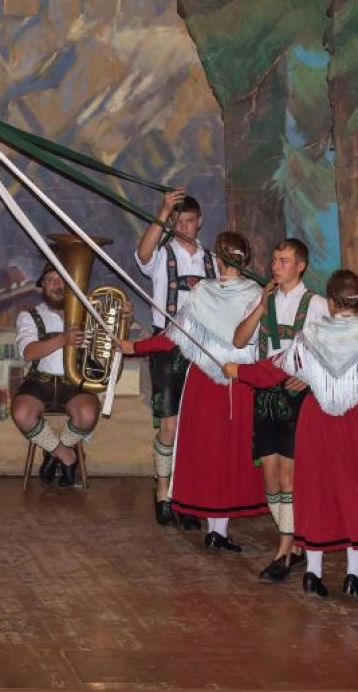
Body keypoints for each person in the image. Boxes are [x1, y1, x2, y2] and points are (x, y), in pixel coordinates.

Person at [122, 232, 267, 549]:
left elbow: (170, 337)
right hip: (238, 382)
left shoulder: (203, 292)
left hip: (205, 382)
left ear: (217, 259)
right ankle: (218, 529)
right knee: (229, 455)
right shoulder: (256, 293)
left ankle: (217, 530)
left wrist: (132, 347)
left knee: (209, 453)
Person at [226, 269, 358, 598]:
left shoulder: (311, 334)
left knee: (314, 492)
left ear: (330, 302)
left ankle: (313, 574)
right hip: (357, 422)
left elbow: (275, 367)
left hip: (317, 421)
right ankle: (353, 576)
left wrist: (237, 370)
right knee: (356, 491)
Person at [232, 238, 329, 582]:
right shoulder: (263, 300)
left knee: (289, 477)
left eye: (284, 260)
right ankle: (296, 539)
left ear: (300, 265)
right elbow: (239, 340)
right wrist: (260, 307)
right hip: (264, 396)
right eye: (274, 260)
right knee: (270, 478)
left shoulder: (316, 304)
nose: (276, 266)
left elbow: (331, 350)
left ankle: (284, 552)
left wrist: (307, 376)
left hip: (296, 398)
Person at [135, 189, 217, 528]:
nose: (184, 225)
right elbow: (141, 254)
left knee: (193, 425)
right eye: (177, 220)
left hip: (204, 349)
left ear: (199, 222)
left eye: (189, 220)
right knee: (169, 424)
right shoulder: (161, 254)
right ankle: (164, 491)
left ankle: (188, 495)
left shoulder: (213, 260)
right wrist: (162, 211)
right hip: (167, 346)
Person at [11, 260, 100, 489]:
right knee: (21, 413)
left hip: (75, 382)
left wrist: (123, 318)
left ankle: (53, 453)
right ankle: (67, 455)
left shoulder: (88, 313)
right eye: (50, 280)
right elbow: (28, 352)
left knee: (88, 413)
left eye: (61, 279)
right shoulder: (29, 316)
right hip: (40, 382)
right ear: (43, 286)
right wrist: (63, 339)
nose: (56, 284)